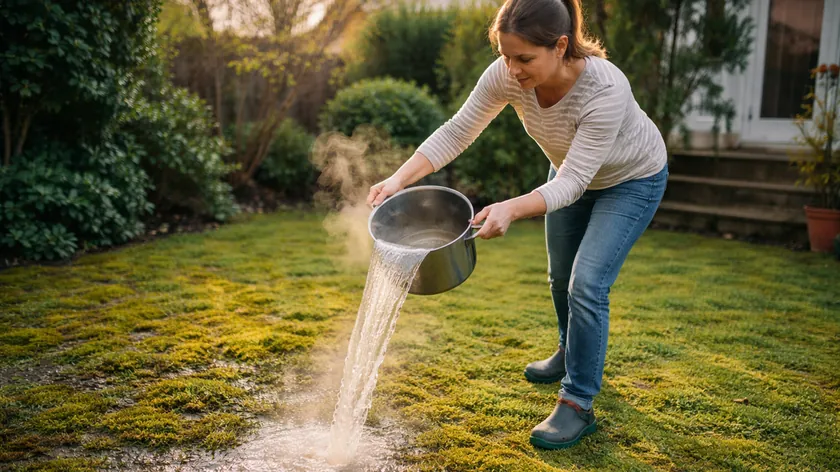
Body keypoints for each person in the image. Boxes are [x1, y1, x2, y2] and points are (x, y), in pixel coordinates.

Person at [366, 0, 668, 450]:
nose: (512, 69)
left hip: (630, 181)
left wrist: (510, 208)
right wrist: (398, 179)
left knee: (586, 284)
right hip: (568, 174)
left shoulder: (605, 89)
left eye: (524, 58)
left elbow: (574, 183)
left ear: (560, 46)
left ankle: (578, 403)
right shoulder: (507, 74)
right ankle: (569, 350)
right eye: (505, 55)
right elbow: (458, 131)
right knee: (559, 277)